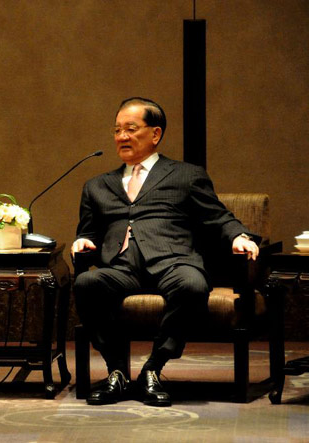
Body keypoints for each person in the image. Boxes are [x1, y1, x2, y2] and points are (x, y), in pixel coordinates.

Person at [72, 97, 259, 407]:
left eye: (131, 129)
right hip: (122, 268)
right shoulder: (97, 186)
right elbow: (88, 231)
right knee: (86, 283)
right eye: (117, 130)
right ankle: (117, 371)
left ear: (155, 134)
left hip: (173, 262)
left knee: (192, 285)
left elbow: (217, 216)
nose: (122, 136)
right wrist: (82, 240)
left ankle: (153, 368)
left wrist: (239, 236)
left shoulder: (186, 175)